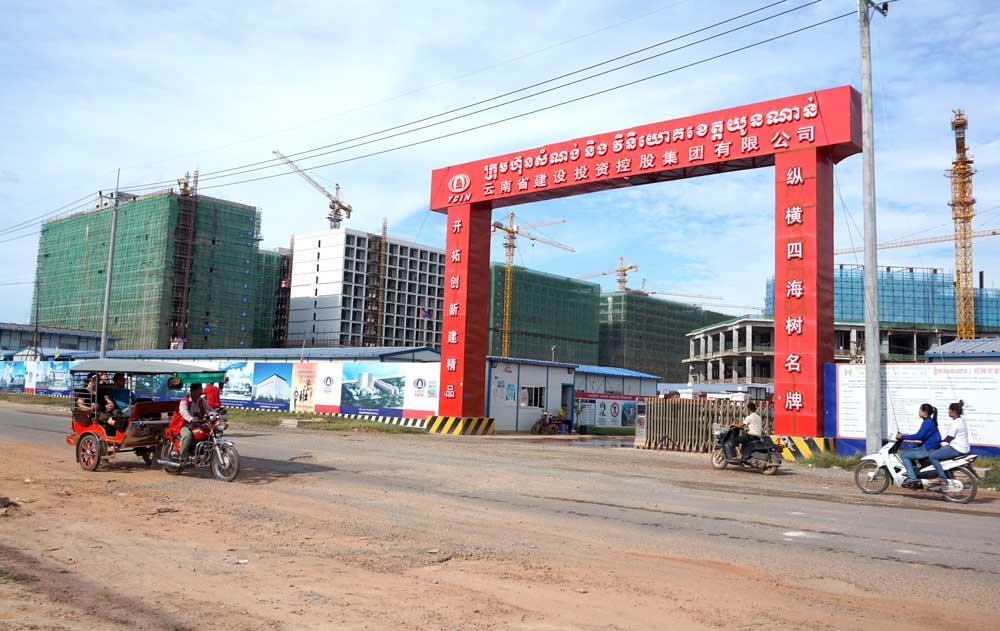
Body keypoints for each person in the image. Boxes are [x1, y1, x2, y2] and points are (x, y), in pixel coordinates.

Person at [896, 403, 942, 488]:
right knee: (910, 448)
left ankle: (912, 478)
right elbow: (923, 437)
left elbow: (918, 436)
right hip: (932, 447)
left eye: (920, 410)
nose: (919, 412)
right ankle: (914, 471)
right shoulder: (929, 422)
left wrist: (902, 436)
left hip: (929, 449)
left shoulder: (927, 423)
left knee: (904, 455)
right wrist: (910, 441)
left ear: (924, 412)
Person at [927, 400, 971, 487]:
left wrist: (938, 444)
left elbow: (949, 438)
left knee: (932, 456)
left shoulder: (956, 423)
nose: (948, 412)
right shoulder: (961, 420)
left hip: (957, 448)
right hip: (963, 448)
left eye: (949, 410)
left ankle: (942, 478)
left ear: (953, 411)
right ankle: (946, 474)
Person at [168, 383, 210, 462]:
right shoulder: (184, 401)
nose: (201, 391)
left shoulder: (201, 400)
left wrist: (217, 415)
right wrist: (191, 419)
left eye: (201, 389)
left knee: (207, 432)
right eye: (199, 389)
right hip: (182, 425)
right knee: (187, 435)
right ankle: (183, 458)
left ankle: (201, 453)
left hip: (196, 424)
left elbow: (209, 409)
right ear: (193, 391)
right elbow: (184, 412)